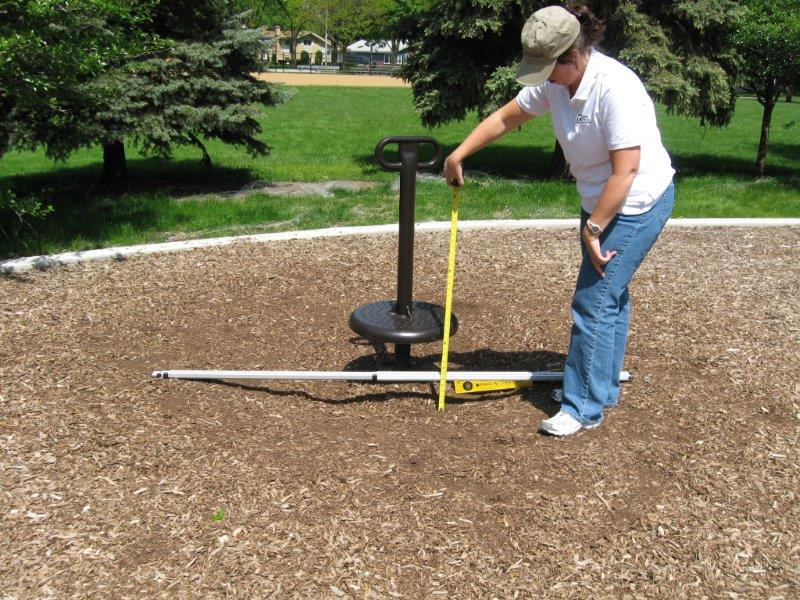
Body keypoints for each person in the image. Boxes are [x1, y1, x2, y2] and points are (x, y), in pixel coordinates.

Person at [442, 3, 675, 437]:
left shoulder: (615, 89)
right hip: (600, 200)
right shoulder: (557, 84)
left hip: (637, 202)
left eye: (548, 67)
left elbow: (626, 171)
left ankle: (583, 406)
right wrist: (459, 153)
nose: (543, 77)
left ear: (573, 55)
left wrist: (593, 228)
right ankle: (599, 388)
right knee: (610, 296)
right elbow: (505, 118)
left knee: (594, 301)